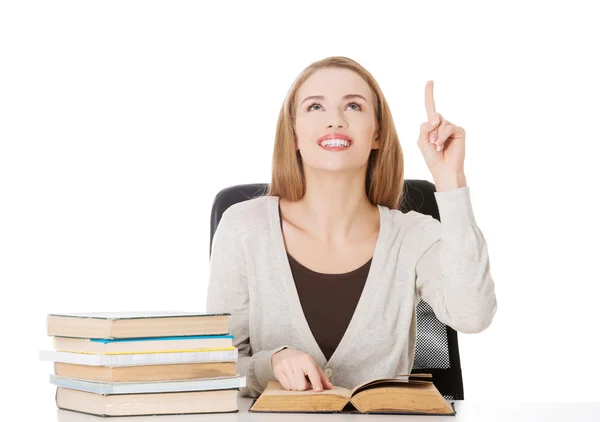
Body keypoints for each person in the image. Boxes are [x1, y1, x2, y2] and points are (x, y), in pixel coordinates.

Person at [206, 56, 497, 398]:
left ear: (376, 134)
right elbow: (217, 366)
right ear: (294, 134)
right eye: (315, 107)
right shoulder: (244, 228)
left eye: (354, 106)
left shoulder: (414, 236)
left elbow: (473, 315)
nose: (335, 120)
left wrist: (451, 182)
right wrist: (272, 363)